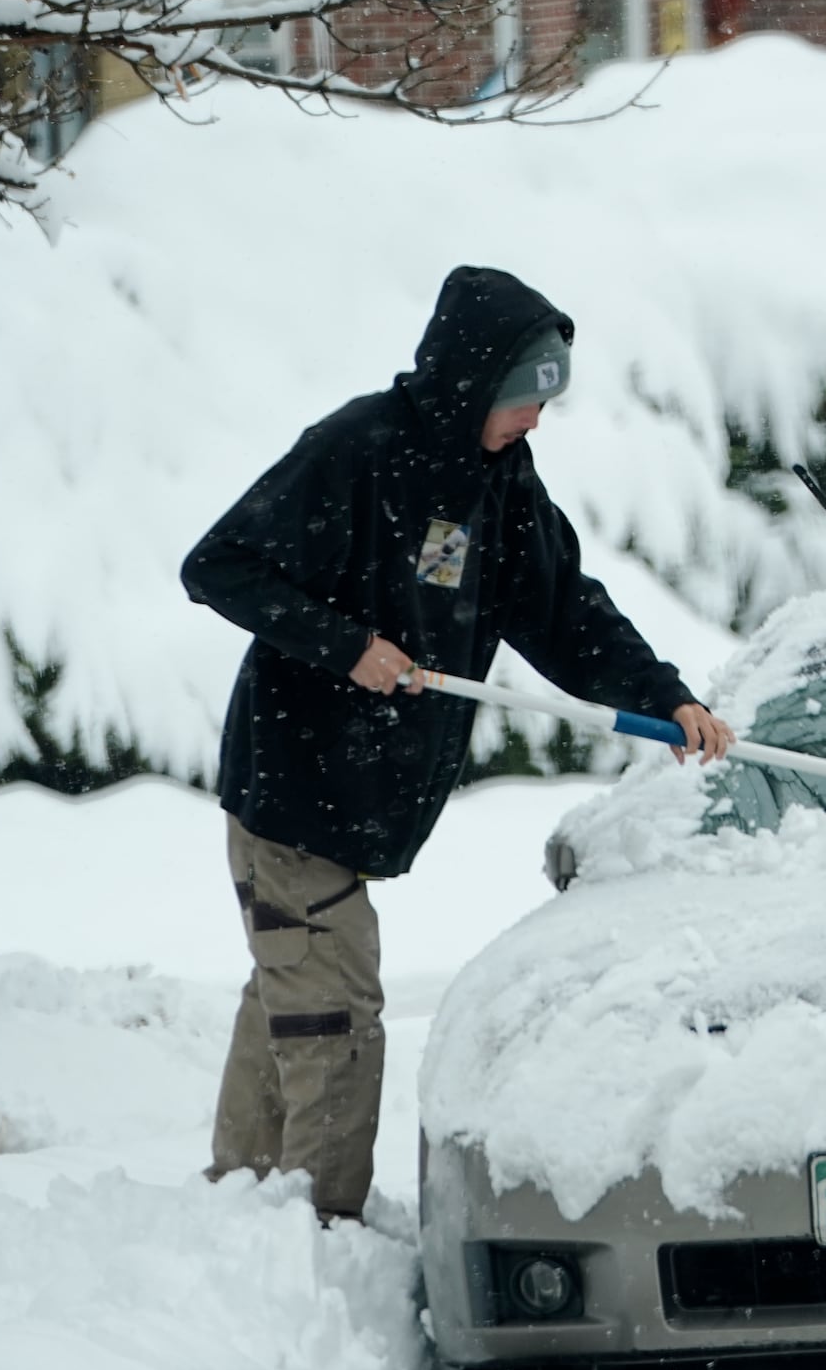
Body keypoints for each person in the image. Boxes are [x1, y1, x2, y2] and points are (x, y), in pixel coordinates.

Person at [181, 265, 732, 1223]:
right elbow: (219, 565)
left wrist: (665, 698)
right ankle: (316, 1228)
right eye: (522, 401)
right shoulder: (358, 450)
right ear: (472, 382)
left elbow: (565, 612)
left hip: (360, 799)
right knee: (335, 1015)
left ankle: (245, 1207)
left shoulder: (499, 483)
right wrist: (346, 646)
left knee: (292, 987)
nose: (532, 422)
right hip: (296, 784)